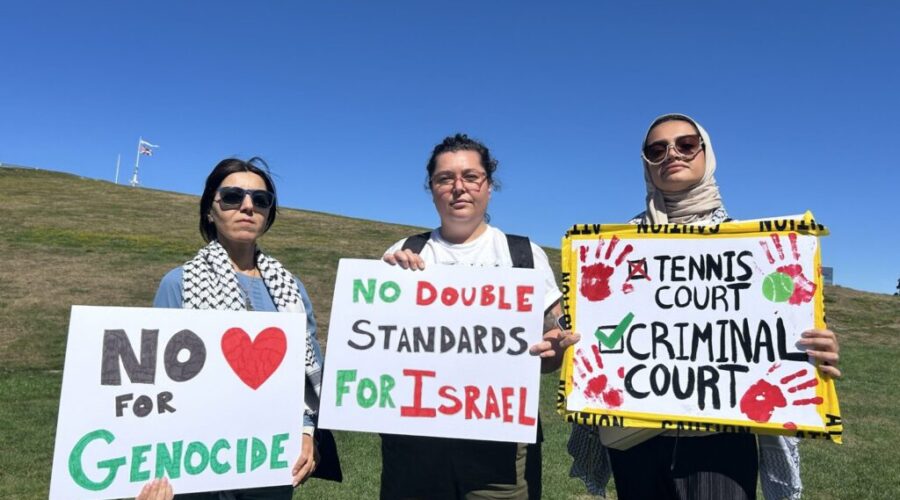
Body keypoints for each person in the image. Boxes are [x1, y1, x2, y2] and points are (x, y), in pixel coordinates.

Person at [568, 114, 841, 500]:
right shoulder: (612, 252)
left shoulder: (754, 252)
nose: (671, 155)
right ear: (645, 162)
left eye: (686, 144)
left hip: (721, 443)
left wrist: (814, 347)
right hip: (634, 440)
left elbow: (776, 331)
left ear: (706, 153)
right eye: (656, 149)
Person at [381, 133, 579, 499]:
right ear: (432, 188)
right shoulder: (403, 252)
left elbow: (549, 355)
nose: (459, 188)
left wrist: (556, 351)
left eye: (471, 176)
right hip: (414, 445)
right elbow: (376, 349)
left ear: (489, 185)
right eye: (445, 179)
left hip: (499, 449)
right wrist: (388, 283)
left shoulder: (523, 254)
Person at [151, 157, 324, 499]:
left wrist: (307, 434)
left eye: (260, 200)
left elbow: (307, 375)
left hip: (269, 462)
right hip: (198, 460)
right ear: (209, 209)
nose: (247, 206)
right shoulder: (179, 283)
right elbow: (159, 381)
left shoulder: (291, 287)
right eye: (232, 196)